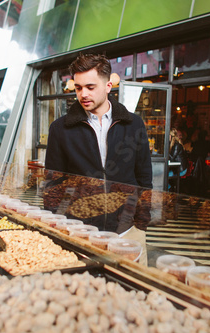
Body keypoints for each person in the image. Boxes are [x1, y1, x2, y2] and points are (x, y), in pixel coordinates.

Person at [45, 53, 152, 264]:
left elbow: (144, 177)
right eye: (78, 87)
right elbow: (53, 183)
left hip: (127, 230)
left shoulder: (134, 124)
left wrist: (141, 223)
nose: (83, 94)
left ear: (108, 86)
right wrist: (57, 227)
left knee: (132, 291)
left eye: (90, 87)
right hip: (80, 232)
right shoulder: (60, 129)